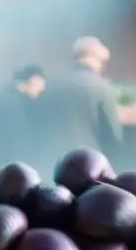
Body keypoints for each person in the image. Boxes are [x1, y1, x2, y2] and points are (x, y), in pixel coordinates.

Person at [35, 36, 122, 171]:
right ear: (95, 58)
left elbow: (38, 126)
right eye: (103, 62)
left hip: (53, 162)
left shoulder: (52, 85)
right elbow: (112, 135)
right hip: (88, 164)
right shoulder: (102, 87)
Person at [0, 64, 46, 169]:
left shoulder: (6, 97)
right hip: (12, 168)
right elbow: (18, 142)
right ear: (33, 81)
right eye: (40, 88)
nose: (40, 93)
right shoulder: (16, 105)